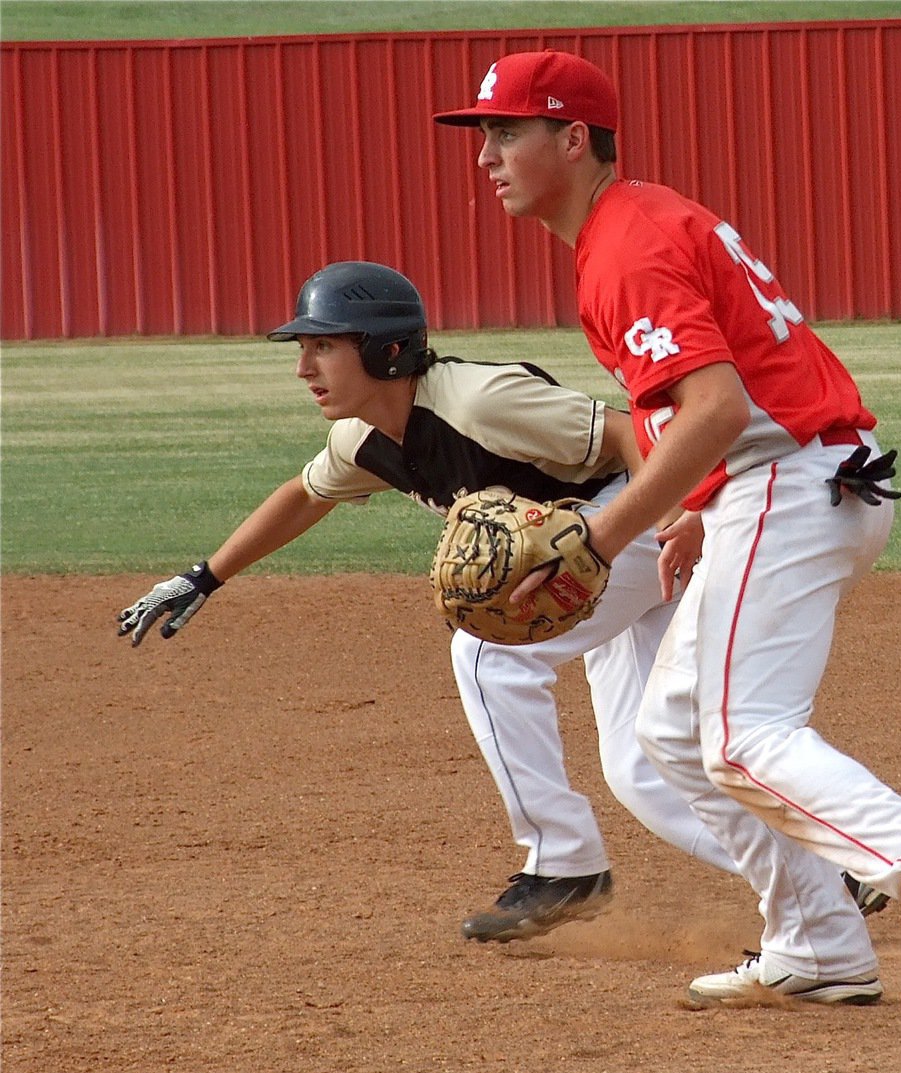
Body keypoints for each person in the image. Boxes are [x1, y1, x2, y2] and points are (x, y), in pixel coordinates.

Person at [434, 51, 901, 1030]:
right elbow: (740, 386)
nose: (486, 155)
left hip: (788, 485)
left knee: (746, 735)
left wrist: (603, 531)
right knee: (670, 733)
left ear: (573, 139)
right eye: (483, 134)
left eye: (506, 131)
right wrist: (697, 509)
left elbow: (717, 408)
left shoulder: (625, 248)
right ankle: (818, 945)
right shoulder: (644, 220)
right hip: (794, 478)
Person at [116, 259, 741, 943]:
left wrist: (679, 515)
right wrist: (205, 576)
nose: (304, 368)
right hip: (591, 556)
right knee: (642, 769)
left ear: (385, 351)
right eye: (303, 348)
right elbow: (305, 495)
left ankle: (564, 866)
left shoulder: (479, 403)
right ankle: (814, 874)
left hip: (633, 523)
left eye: (323, 345)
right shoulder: (362, 438)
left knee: (488, 654)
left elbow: (628, 433)